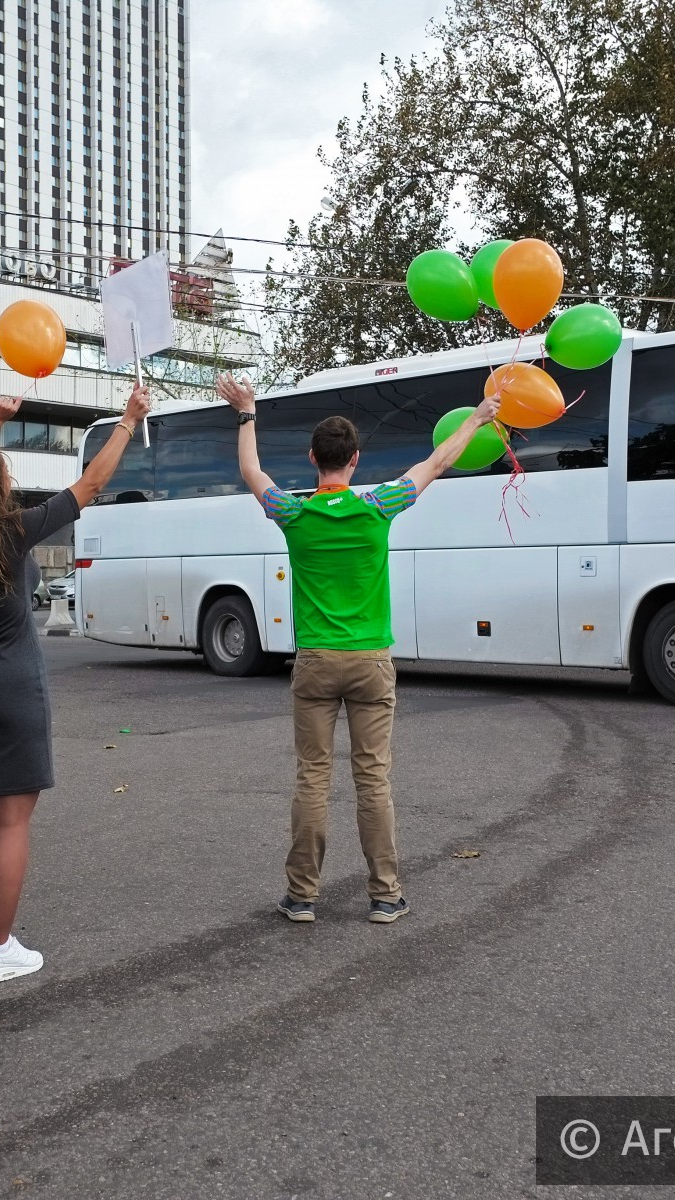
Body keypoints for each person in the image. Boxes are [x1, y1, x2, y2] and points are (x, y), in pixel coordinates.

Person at [216, 373, 502, 925]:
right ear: (354, 459)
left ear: (312, 458)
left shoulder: (293, 514)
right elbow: (437, 463)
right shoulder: (378, 507)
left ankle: (302, 897)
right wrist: (477, 418)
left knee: (313, 777)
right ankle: (385, 895)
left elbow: (251, 471)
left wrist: (247, 412)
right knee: (373, 779)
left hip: (316, 661)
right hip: (371, 660)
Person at [0, 384, 151, 982]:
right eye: (2, 470)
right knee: (13, 821)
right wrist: (128, 423)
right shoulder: (13, 530)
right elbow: (90, 485)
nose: (7, 476)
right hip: (12, 686)